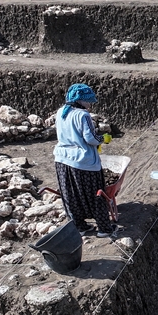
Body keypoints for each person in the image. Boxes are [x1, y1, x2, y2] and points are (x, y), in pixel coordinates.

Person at [53, 83, 113, 237]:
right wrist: (103, 139)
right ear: (80, 100)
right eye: (88, 101)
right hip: (83, 162)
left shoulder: (60, 112)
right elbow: (90, 138)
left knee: (71, 196)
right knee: (96, 194)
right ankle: (104, 229)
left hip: (62, 160)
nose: (89, 105)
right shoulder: (82, 115)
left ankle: (80, 226)